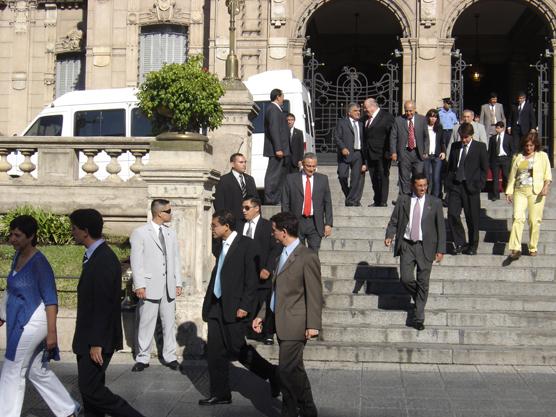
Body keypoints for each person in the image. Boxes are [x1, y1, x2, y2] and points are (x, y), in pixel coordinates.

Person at [0, 215, 80, 417]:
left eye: (17, 235)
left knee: (12, 367)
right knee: (35, 370)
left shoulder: (40, 263)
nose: (12, 239)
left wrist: (52, 333)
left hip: (34, 321)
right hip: (18, 319)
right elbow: (10, 289)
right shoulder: (17, 256)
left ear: (31, 236)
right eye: (11, 234)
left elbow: (51, 300)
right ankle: (68, 409)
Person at [70, 209, 145, 417]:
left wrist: (97, 343)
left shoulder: (103, 260)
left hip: (96, 340)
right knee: (91, 394)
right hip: (89, 337)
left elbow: (104, 305)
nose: (72, 232)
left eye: (74, 228)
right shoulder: (95, 256)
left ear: (85, 231)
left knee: (91, 390)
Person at [200, 210, 279, 406]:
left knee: (238, 348)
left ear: (226, 226)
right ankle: (220, 393)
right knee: (215, 352)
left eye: (214, 226)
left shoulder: (246, 245)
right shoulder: (220, 245)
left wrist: (245, 305)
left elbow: (251, 280)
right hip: (216, 305)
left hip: (235, 307)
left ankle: (272, 373)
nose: (212, 229)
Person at [252, 211, 323, 417]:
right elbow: (274, 290)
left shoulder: (307, 256)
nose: (272, 234)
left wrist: (313, 324)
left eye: (274, 231)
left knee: (284, 371)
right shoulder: (278, 255)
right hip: (280, 321)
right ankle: (308, 409)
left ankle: (289, 411)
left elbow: (314, 293)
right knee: (295, 370)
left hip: (296, 323)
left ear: (284, 232)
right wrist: (262, 315)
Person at [385, 173, 446, 330]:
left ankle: (419, 318)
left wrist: (441, 250)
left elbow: (441, 228)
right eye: (420, 185)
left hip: (426, 247)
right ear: (413, 185)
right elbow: (394, 221)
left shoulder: (435, 202)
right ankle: (420, 295)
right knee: (405, 279)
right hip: (407, 245)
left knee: (423, 281)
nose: (423, 188)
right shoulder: (404, 200)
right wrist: (389, 235)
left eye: (425, 185)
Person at [130, 199, 183, 372]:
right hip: (149, 284)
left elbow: (175, 259)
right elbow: (136, 261)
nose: (171, 214)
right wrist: (139, 285)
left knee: (169, 323)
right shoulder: (140, 233)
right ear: (159, 213)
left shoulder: (171, 233)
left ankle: (170, 356)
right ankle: (142, 357)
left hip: (168, 285)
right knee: (146, 322)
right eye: (168, 211)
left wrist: (178, 282)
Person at [240, 196, 280, 345]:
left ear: (257, 208)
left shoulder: (267, 225)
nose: (243, 211)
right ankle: (246, 329)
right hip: (244, 272)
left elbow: (275, 248)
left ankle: (268, 332)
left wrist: (268, 268)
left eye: (247, 208)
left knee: (266, 301)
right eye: (243, 208)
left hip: (262, 271)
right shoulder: (240, 225)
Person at [505, 132, 552, 260]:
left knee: (533, 220)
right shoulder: (517, 157)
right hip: (520, 191)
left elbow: (548, 175)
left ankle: (533, 247)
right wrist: (509, 191)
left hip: (535, 192)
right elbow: (512, 176)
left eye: (531, 145)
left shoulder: (542, 156)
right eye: (526, 145)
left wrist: (546, 186)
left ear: (535, 145)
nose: (529, 148)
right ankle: (515, 248)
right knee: (517, 217)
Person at [446, 123, 489, 255]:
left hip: (471, 187)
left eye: (466, 137)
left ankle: (472, 245)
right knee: (452, 214)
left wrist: (479, 185)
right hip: (456, 185)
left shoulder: (480, 147)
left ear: (471, 135)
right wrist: (448, 184)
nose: (463, 140)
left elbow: (484, 168)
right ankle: (460, 243)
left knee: (472, 218)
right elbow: (451, 167)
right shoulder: (455, 146)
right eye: (461, 137)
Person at [282, 152, 333, 253]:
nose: (311, 169)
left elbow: (327, 202)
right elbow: (285, 202)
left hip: (315, 223)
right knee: (297, 253)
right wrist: (286, 222)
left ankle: (312, 269)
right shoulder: (291, 179)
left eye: (314, 166)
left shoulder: (323, 179)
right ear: (302, 164)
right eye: (308, 166)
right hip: (296, 221)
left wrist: (328, 223)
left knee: (313, 254)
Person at [390, 100, 429, 195]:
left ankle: (417, 197)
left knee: (418, 177)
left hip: (418, 153)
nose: (408, 113)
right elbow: (393, 137)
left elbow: (426, 136)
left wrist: (425, 151)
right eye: (406, 110)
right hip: (404, 153)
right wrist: (394, 152)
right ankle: (405, 198)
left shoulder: (422, 119)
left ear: (415, 109)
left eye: (411, 110)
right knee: (404, 177)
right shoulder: (398, 120)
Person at [362, 97, 395, 207]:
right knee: (374, 178)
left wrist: (391, 151)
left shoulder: (386, 117)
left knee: (383, 176)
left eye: (366, 108)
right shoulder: (365, 119)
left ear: (373, 106)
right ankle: (377, 200)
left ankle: (383, 201)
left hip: (383, 154)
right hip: (370, 154)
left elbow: (392, 135)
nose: (364, 110)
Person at [334, 103, 366, 206]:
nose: (358, 112)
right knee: (342, 176)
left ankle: (351, 201)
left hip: (358, 154)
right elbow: (337, 137)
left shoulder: (362, 124)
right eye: (355, 111)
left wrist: (365, 161)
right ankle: (349, 196)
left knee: (355, 179)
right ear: (349, 113)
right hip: (345, 155)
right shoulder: (342, 122)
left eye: (359, 111)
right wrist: (342, 148)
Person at [214, 153, 257, 223]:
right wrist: (224, 220)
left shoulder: (250, 179)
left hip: (249, 220)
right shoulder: (224, 180)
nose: (244, 165)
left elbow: (256, 200)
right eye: (241, 162)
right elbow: (219, 203)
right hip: (232, 221)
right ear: (232, 164)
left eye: (245, 162)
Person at [264, 88, 290, 204]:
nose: (283, 98)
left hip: (281, 149)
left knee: (279, 175)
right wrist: (278, 148)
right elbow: (274, 129)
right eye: (282, 96)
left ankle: (276, 198)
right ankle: (271, 198)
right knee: (273, 174)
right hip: (277, 150)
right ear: (278, 97)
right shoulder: (273, 109)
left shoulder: (277, 109)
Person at [488, 121, 514, 201]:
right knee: (495, 178)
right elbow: (490, 151)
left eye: (498, 128)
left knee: (505, 176)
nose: (497, 129)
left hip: (505, 159)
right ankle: (495, 195)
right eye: (496, 128)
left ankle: (507, 191)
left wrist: (510, 159)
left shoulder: (508, 138)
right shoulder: (492, 138)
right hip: (495, 160)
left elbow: (512, 149)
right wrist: (489, 161)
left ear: (503, 128)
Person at [423, 109, 446, 198]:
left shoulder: (439, 127)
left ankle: (435, 197)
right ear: (428, 117)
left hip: (436, 155)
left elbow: (442, 141)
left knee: (436, 178)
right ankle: (426, 196)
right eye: (431, 116)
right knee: (427, 177)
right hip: (426, 156)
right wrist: (423, 152)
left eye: (435, 117)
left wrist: (443, 152)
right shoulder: (424, 127)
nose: (433, 119)